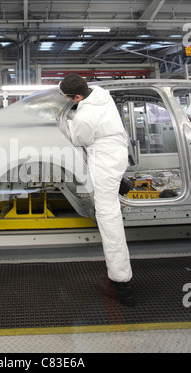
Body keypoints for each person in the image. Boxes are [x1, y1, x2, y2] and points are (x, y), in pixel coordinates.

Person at [59, 74, 134, 306]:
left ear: (78, 97)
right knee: (109, 194)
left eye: (68, 99)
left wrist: (68, 120)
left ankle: (122, 284)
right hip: (118, 152)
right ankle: (122, 184)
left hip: (104, 160)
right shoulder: (100, 93)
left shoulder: (85, 116)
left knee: (107, 216)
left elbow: (79, 138)